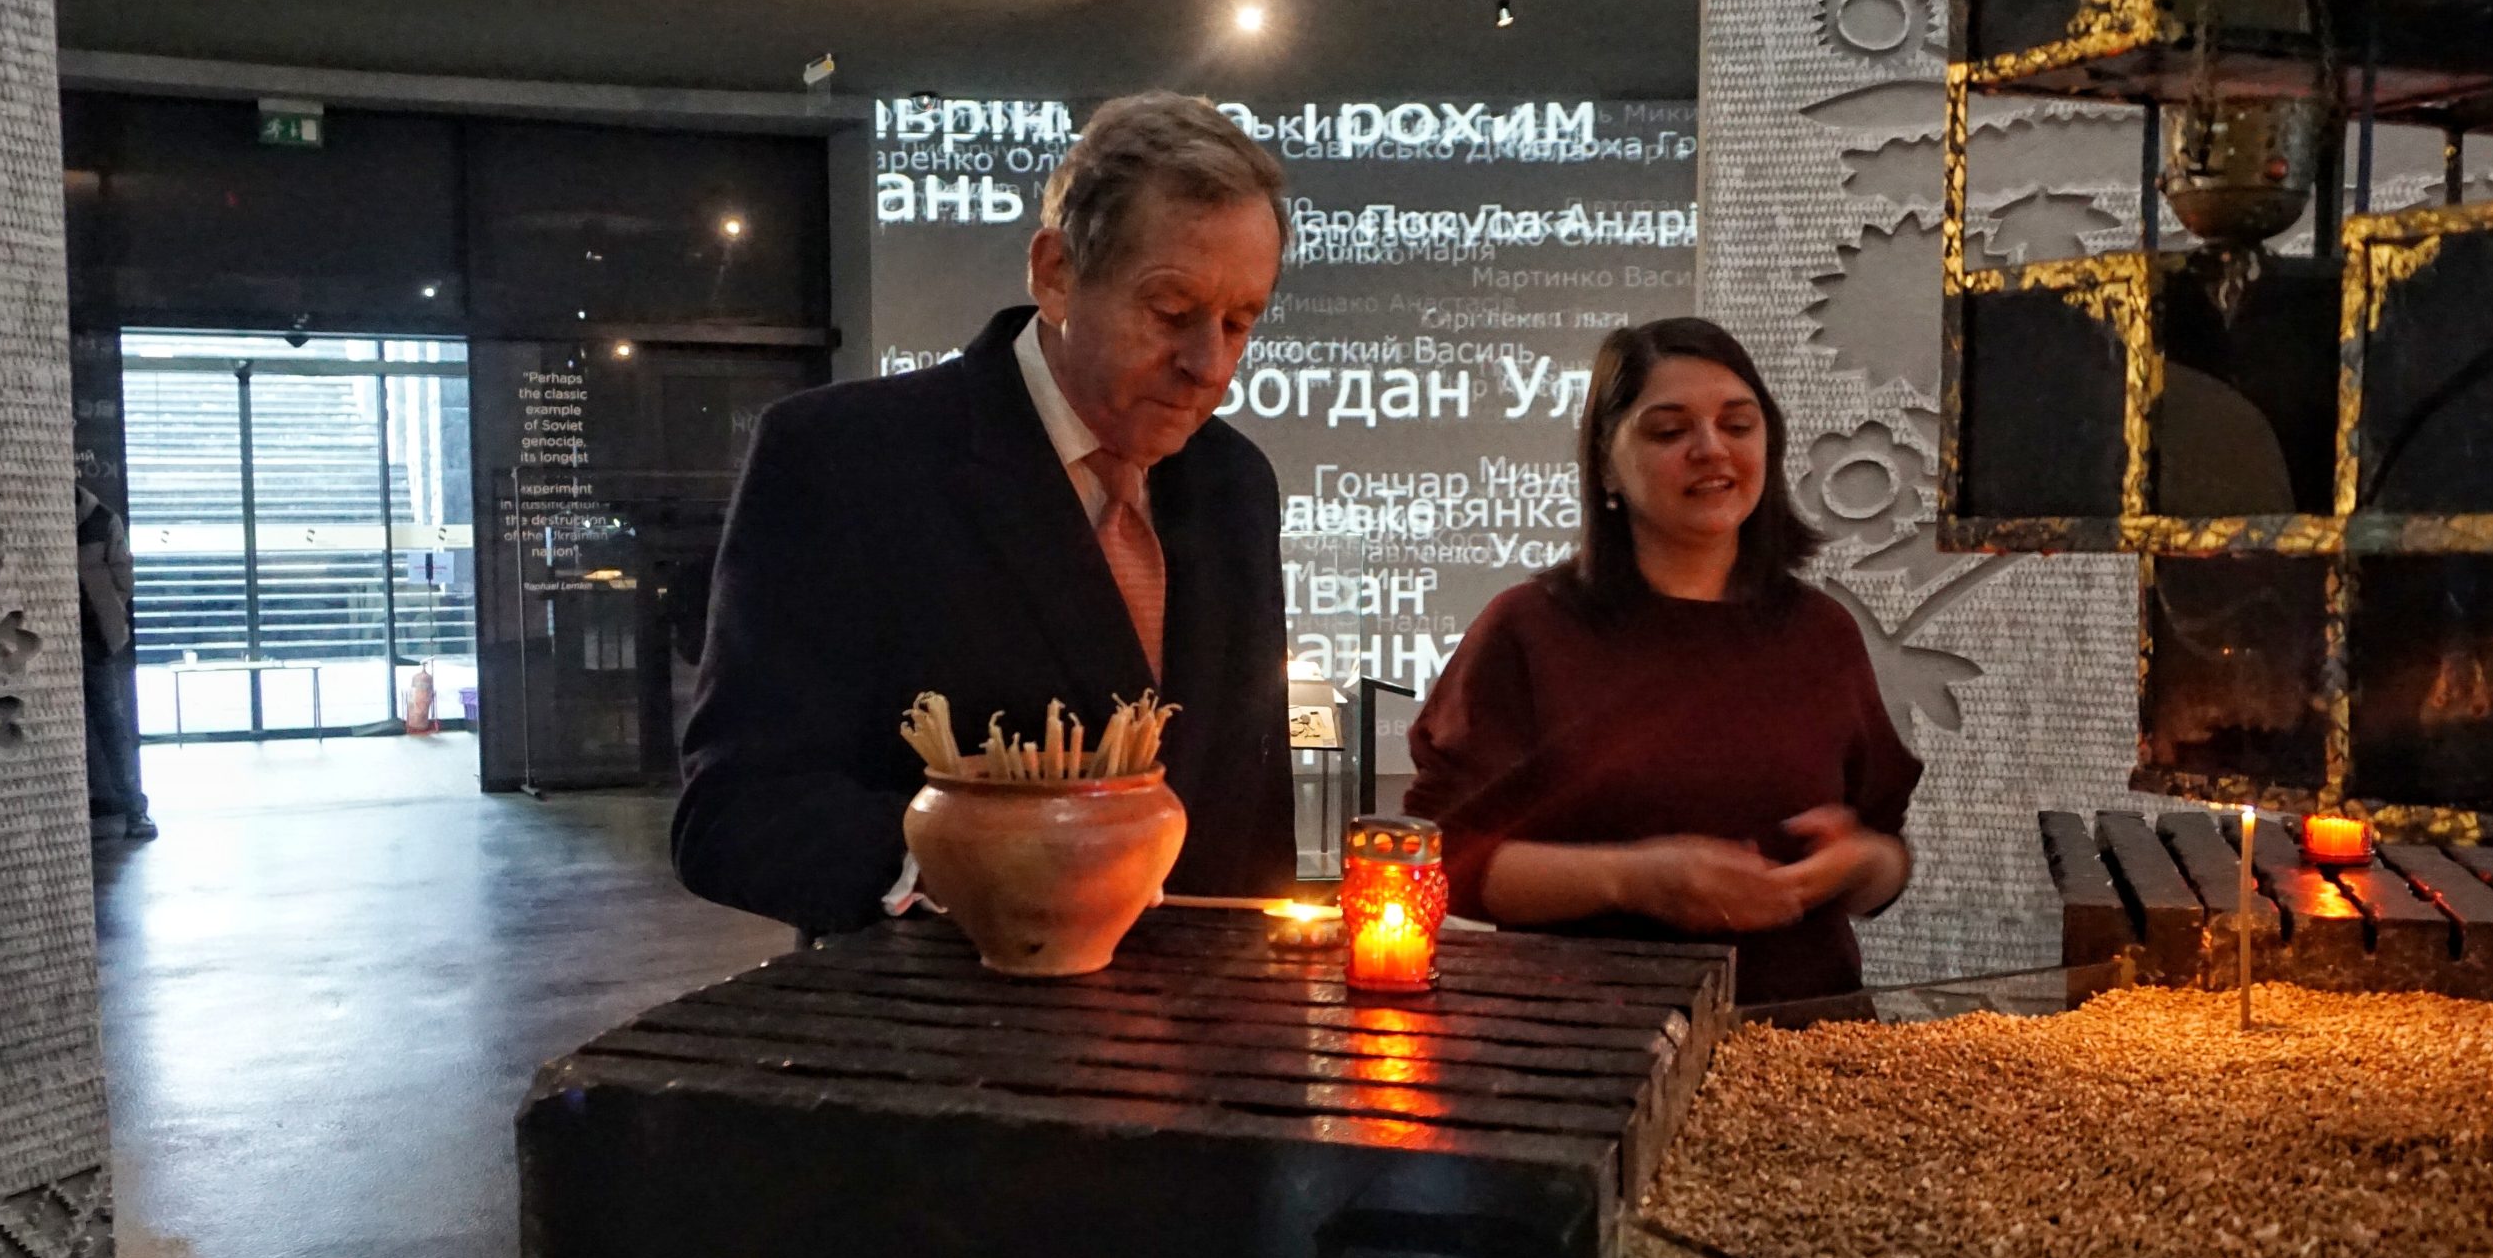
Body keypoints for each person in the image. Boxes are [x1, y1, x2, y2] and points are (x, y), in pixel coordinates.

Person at [674, 93, 1297, 934]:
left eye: (1240, 321)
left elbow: (1252, 810)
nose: (1209, 364)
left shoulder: (1237, 483)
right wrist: (972, 868)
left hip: (1203, 1010)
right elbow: (733, 811)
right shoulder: (845, 460)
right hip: (947, 1008)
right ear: (1056, 272)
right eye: (1172, 312)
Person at [1402, 318, 1920, 1004]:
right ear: (1606, 464)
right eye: (1670, 431)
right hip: (1591, 1038)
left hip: (1802, 1032)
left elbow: (1883, 853)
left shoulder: (1820, 631)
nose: (1712, 449)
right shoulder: (1528, 629)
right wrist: (1631, 879)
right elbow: (1441, 857)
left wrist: (1856, 864)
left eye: (1738, 425)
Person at [77, 481, 156, 841]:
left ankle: (134, 807)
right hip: (55, 638)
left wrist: (109, 610)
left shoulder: (102, 519)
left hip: (94, 638)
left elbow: (123, 576)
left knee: (111, 724)